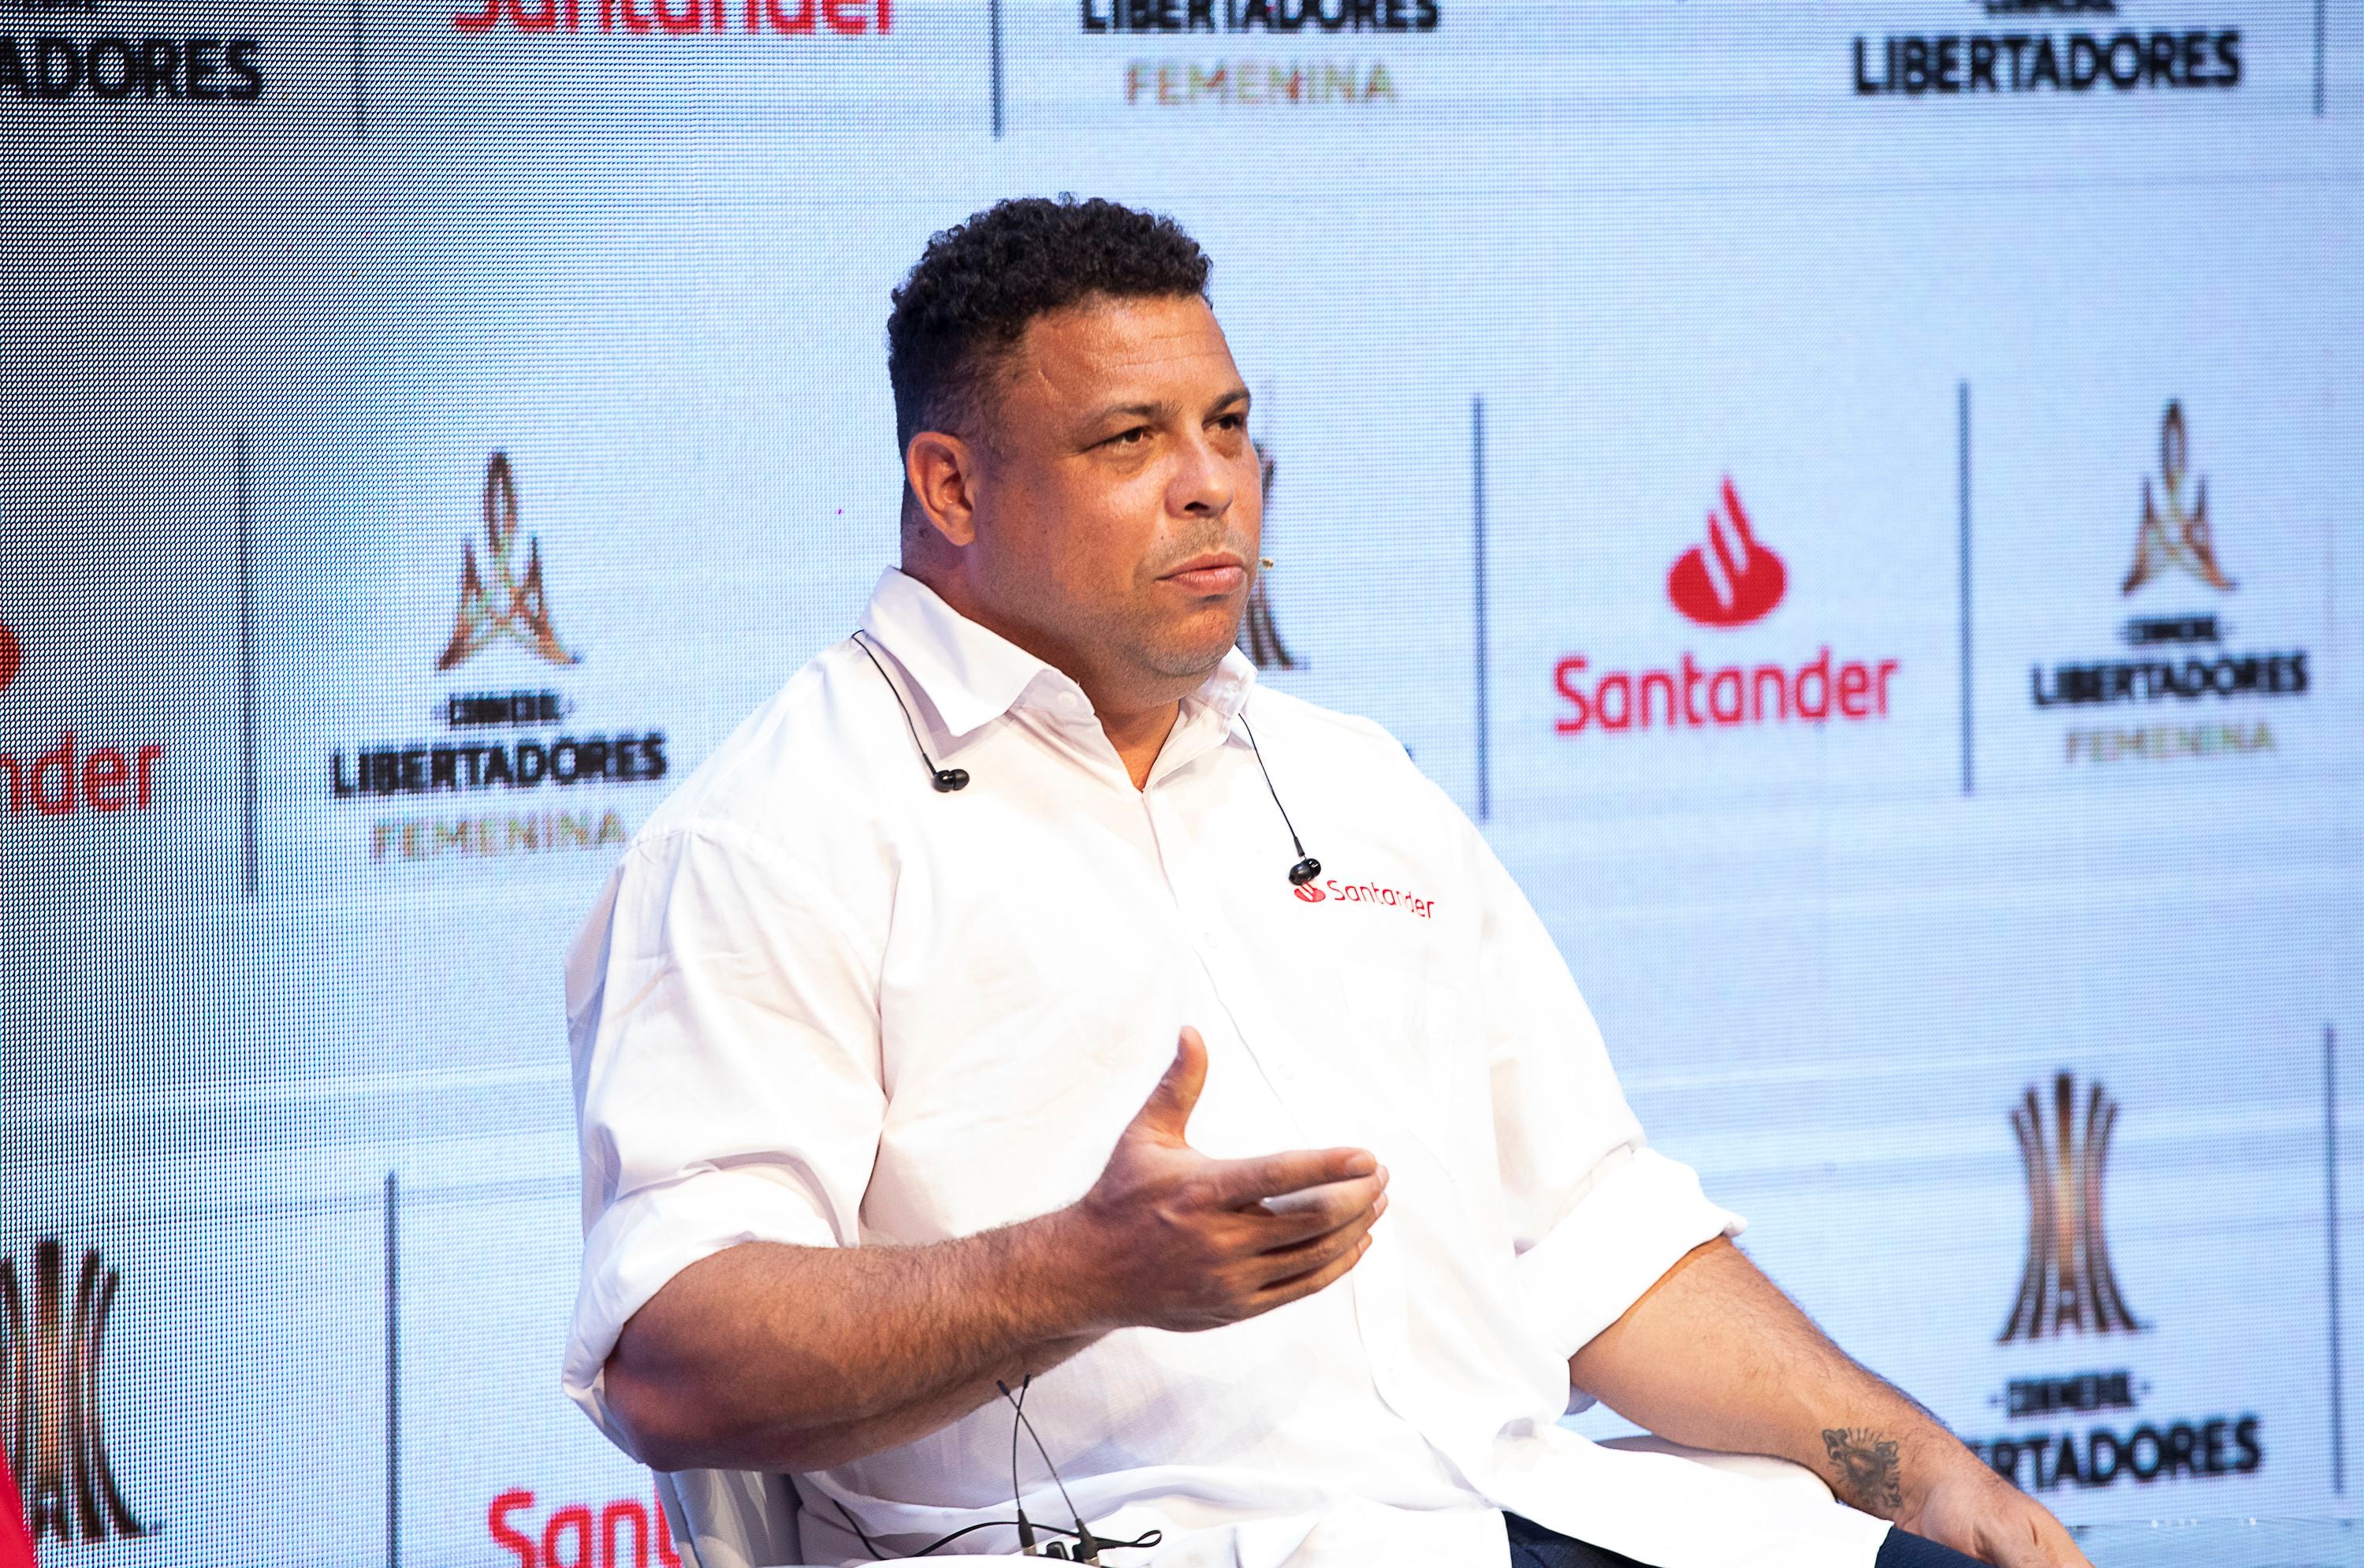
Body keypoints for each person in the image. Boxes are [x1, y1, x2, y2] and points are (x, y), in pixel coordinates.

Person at [561, 196, 2088, 1568]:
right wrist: (1079, 1273)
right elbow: (669, 1358)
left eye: (1228, 427)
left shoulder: (1360, 785)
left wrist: (1939, 1481)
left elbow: (1597, 1243)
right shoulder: (775, 830)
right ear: (949, 489)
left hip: (1517, 1522)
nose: (1211, 485)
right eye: (1130, 440)